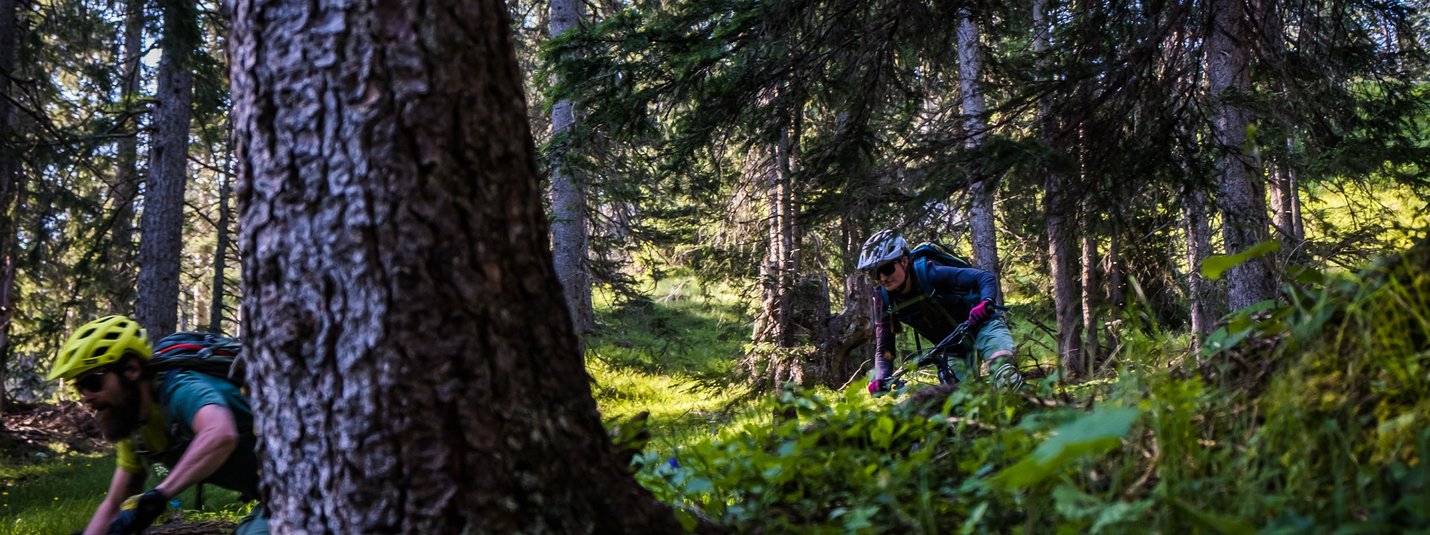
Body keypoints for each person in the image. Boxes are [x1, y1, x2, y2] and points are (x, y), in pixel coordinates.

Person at [47, 315, 268, 535]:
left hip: (299, 482)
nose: (86, 396)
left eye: (92, 382)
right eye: (80, 388)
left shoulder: (180, 389)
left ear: (131, 369)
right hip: (278, 496)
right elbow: (114, 505)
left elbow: (220, 433)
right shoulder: (137, 429)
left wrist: (159, 496)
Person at [859, 230, 1025, 394]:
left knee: (1004, 375)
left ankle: (1032, 410)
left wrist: (985, 302)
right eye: (874, 273)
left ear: (904, 261)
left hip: (984, 328)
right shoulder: (883, 299)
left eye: (887, 269)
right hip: (952, 350)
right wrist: (881, 378)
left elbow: (984, 278)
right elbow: (885, 350)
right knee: (959, 405)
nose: (882, 278)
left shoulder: (929, 273)